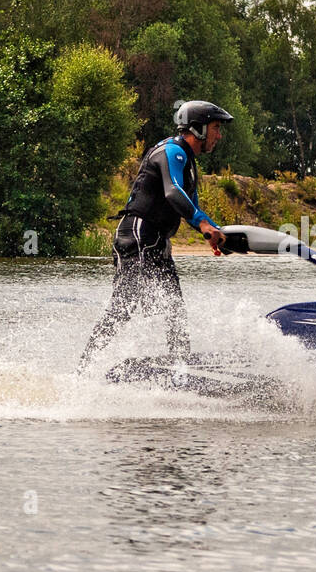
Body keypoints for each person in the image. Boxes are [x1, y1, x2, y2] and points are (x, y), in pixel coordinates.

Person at [78, 100, 232, 370]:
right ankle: (85, 368)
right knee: (125, 304)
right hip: (137, 234)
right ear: (197, 129)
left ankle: (181, 369)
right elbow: (172, 192)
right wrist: (204, 226)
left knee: (175, 310)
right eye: (216, 128)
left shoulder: (189, 163)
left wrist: (214, 230)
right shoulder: (172, 151)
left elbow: (192, 206)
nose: (219, 135)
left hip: (157, 241)